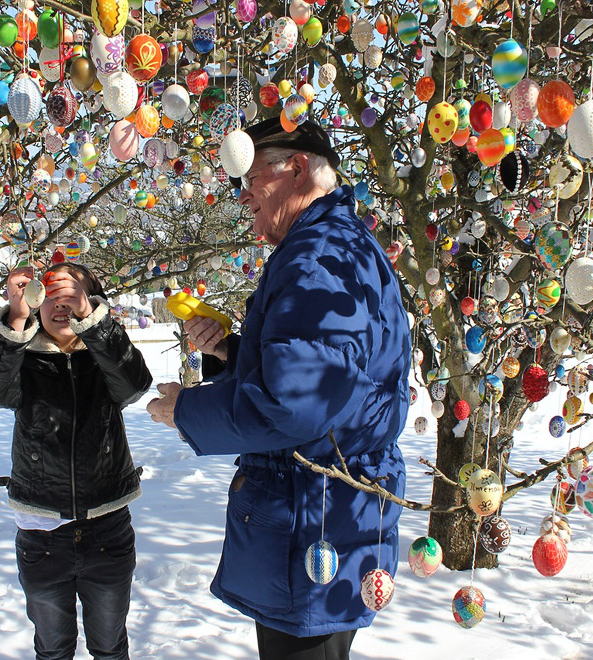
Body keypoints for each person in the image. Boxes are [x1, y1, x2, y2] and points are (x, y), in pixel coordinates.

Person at [146, 118, 411, 659]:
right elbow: (330, 381)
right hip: (328, 512)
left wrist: (188, 410)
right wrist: (232, 353)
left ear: (294, 169)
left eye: (251, 178)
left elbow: (299, 402)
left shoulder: (319, 257)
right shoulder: (331, 246)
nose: (244, 196)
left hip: (314, 521)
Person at [0, 261, 152, 660]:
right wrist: (16, 320)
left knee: (110, 648)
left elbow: (135, 384)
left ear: (91, 303)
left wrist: (93, 322)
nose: (61, 306)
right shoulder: (23, 359)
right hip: (42, 538)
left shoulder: (104, 357)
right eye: (50, 297)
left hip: (107, 531)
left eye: (72, 296)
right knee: (53, 650)